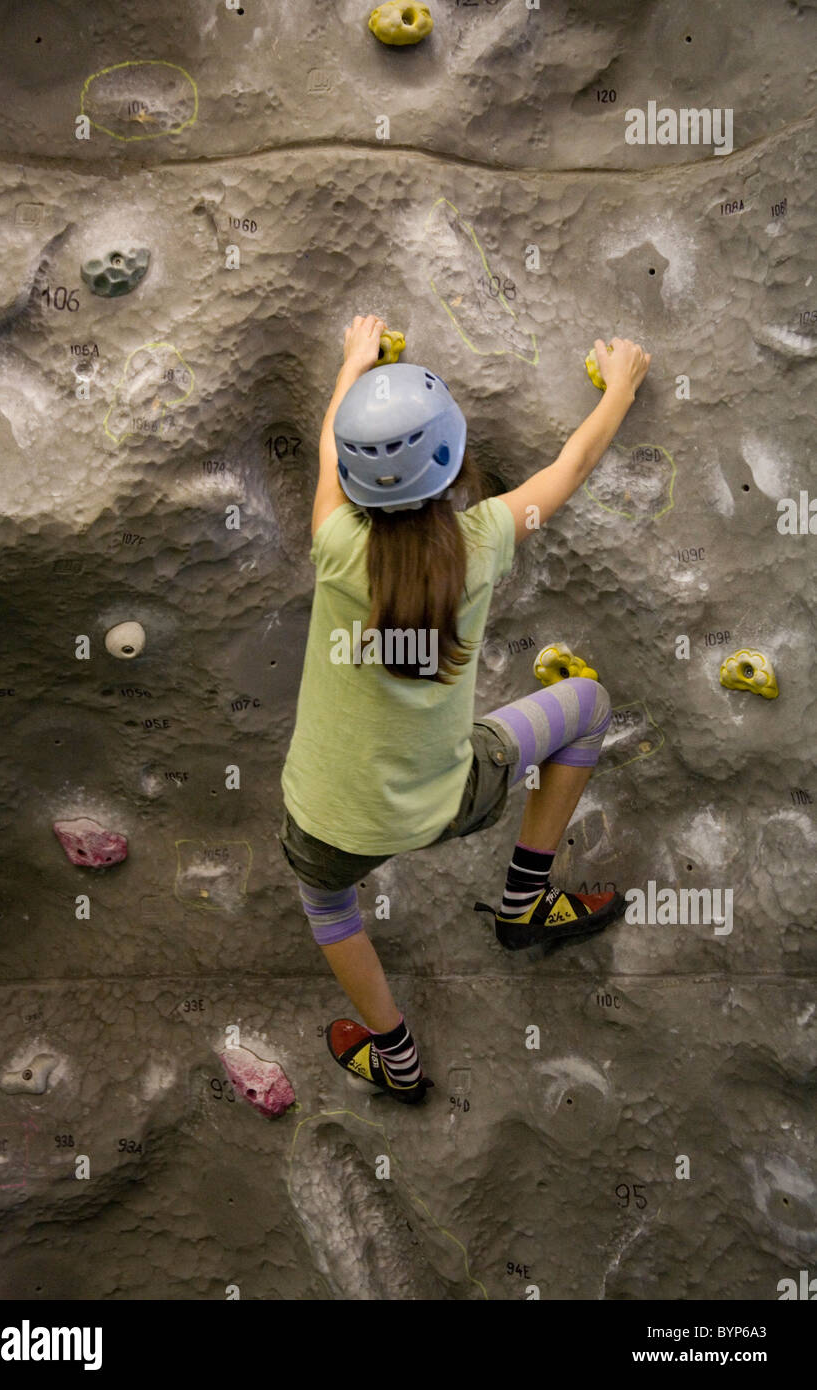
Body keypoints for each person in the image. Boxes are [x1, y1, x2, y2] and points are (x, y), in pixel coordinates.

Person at [278, 315, 652, 1105]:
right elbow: (571, 464)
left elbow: (325, 452)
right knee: (587, 706)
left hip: (325, 819)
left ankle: (397, 1058)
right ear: (452, 465)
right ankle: (526, 900)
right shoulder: (485, 537)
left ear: (355, 484)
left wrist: (352, 358)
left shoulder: (335, 544)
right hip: (451, 802)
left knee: (329, 906)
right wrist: (619, 383)